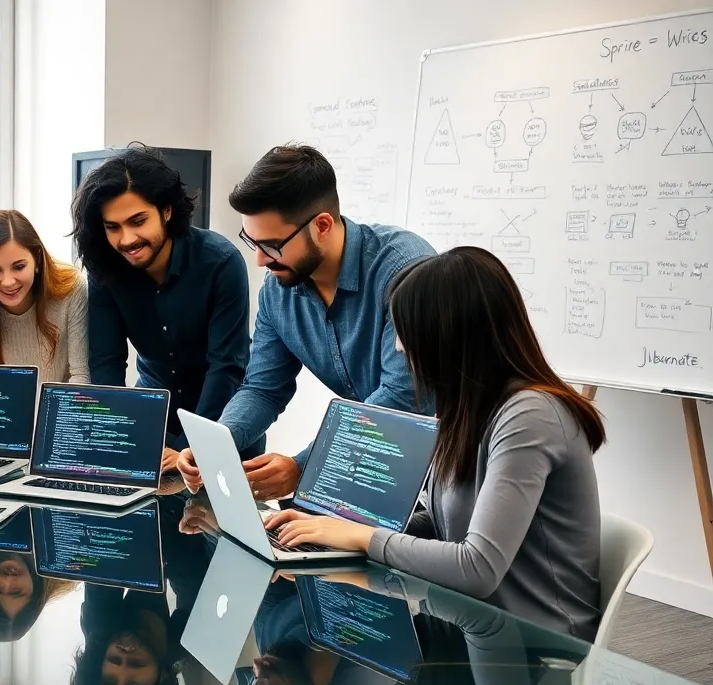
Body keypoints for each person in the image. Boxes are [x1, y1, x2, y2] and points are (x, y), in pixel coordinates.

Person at [264, 247, 606, 640]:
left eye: (408, 336)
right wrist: (334, 526)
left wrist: (361, 537)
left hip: (535, 647)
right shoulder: (466, 409)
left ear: (451, 338)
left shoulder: (530, 416)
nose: (399, 350)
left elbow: (476, 568)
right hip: (473, 625)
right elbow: (444, 526)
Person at [178, 144, 435, 501]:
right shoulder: (278, 290)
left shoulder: (406, 273)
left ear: (323, 225)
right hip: (367, 461)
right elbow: (263, 388)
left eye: (272, 245)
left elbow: (404, 399)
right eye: (252, 242)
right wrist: (217, 443)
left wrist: (303, 467)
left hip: (448, 475)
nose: (259, 260)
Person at [72, 145, 252, 472]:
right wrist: (122, 434)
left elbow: (227, 367)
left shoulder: (221, 263)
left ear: (166, 211)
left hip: (223, 426)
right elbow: (106, 362)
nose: (127, 239)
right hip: (152, 427)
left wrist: (188, 448)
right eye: (113, 227)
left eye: (137, 221)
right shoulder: (105, 271)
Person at [0, 209, 89, 383]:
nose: (8, 282)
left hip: (54, 408)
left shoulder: (70, 288)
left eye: (19, 267)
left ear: (37, 259)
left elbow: (81, 375)